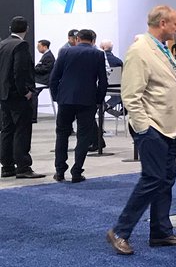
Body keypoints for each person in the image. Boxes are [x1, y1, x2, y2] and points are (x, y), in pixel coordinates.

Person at [107, 6, 176, 255]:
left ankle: (161, 232)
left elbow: (175, 84)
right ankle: (120, 231)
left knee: (165, 179)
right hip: (152, 127)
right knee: (152, 179)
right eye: (175, 24)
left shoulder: (164, 50)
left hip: (168, 128)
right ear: (163, 23)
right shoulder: (140, 51)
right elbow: (130, 96)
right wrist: (144, 128)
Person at [48, 28, 107, 183]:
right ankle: (77, 171)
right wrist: (98, 99)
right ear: (93, 41)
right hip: (87, 100)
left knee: (62, 134)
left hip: (65, 99)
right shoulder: (98, 54)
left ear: (77, 39)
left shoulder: (64, 52)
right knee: (84, 136)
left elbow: (54, 77)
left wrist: (56, 96)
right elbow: (103, 81)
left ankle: (59, 171)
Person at [0, 17, 43, 180]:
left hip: (4, 95)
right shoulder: (21, 45)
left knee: (7, 130)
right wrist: (25, 91)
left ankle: (7, 166)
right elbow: (20, 71)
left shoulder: (3, 44)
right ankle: (23, 167)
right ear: (27, 29)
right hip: (18, 96)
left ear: (10, 28)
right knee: (22, 130)